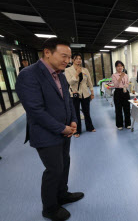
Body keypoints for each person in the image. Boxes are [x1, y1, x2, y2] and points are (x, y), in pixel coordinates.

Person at [15, 38, 84, 221]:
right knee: (54, 169)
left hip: (65, 130)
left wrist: (73, 120)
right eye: (64, 56)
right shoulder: (29, 74)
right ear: (47, 52)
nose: (67, 60)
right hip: (46, 133)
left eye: (69, 57)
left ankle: (62, 194)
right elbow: (35, 110)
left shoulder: (60, 74)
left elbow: (67, 100)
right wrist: (62, 128)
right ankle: (50, 208)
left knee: (65, 163)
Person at [65, 53, 96, 138]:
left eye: (80, 58)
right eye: (76, 58)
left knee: (87, 112)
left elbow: (89, 82)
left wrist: (92, 93)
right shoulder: (68, 70)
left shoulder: (85, 70)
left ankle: (90, 127)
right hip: (74, 94)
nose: (78, 60)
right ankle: (77, 130)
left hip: (85, 94)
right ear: (72, 60)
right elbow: (70, 82)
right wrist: (76, 73)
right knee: (75, 113)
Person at [112, 60, 131, 130]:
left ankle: (128, 123)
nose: (120, 68)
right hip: (118, 92)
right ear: (116, 67)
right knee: (118, 109)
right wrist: (120, 77)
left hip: (125, 91)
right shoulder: (114, 75)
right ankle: (119, 124)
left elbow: (127, 83)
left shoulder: (126, 75)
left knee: (127, 108)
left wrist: (125, 87)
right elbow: (116, 84)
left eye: (121, 66)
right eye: (118, 66)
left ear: (123, 67)